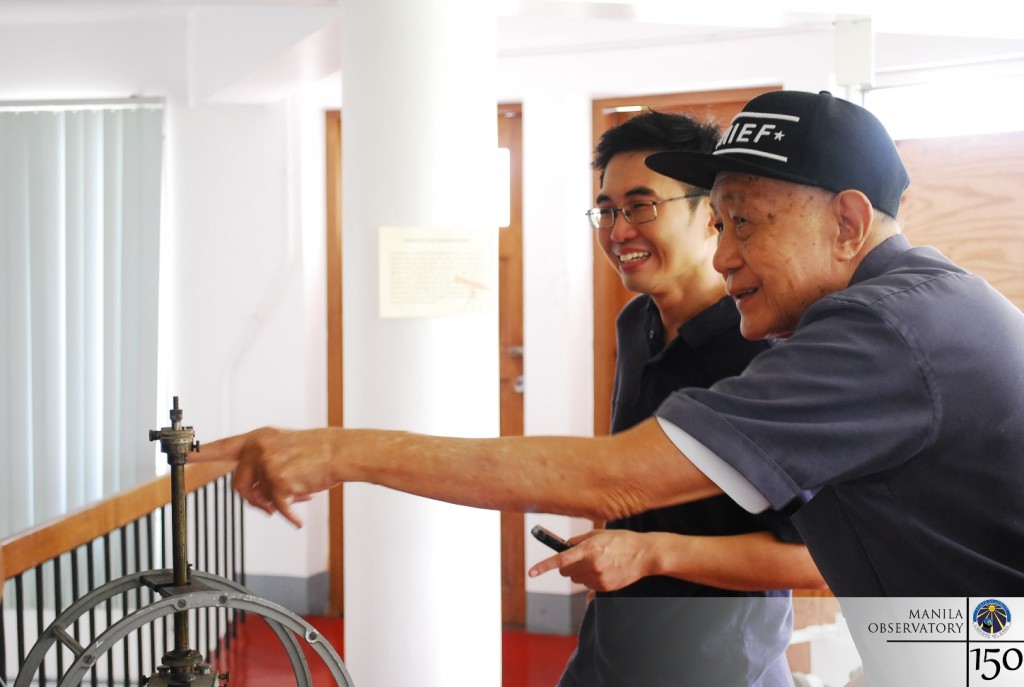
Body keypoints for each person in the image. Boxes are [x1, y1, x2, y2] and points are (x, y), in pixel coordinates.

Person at [198, 90, 1024, 603]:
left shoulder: (880, 328)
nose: (727, 251)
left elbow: (614, 477)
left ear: (846, 223)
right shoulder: (915, 303)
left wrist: (337, 449)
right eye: (721, 220)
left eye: (745, 224)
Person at [533, 110, 821, 687]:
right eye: (607, 211)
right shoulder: (635, 321)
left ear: (713, 216)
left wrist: (652, 552)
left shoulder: (770, 351)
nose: (618, 232)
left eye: (641, 207)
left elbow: (813, 560)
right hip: (613, 644)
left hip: (716, 663)